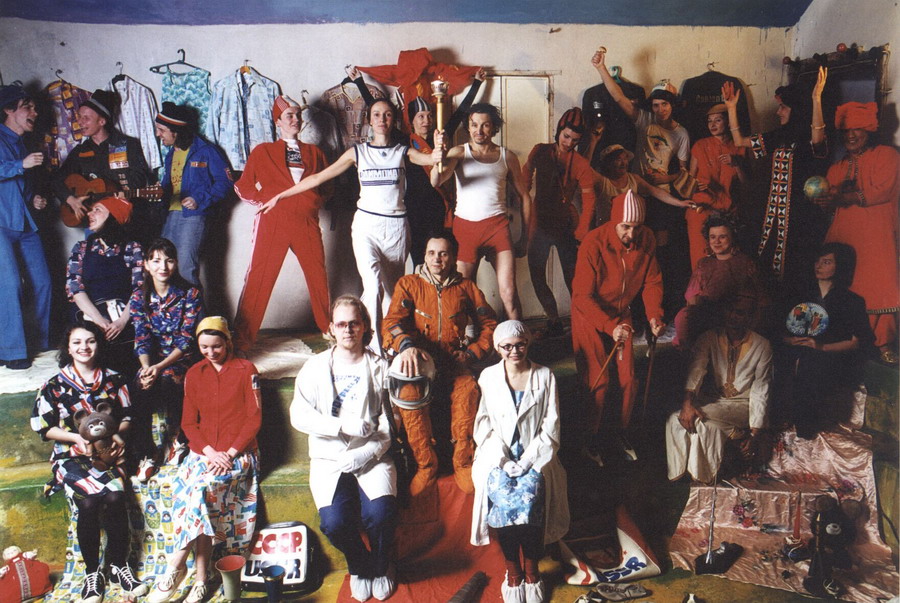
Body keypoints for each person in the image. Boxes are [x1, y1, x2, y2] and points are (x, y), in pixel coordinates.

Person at [262, 98, 442, 352]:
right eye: (376, 114)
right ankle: (373, 349)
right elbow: (318, 177)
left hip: (397, 227)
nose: (382, 119)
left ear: (393, 120)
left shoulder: (403, 152)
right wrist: (280, 196)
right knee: (373, 284)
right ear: (369, 120)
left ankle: (388, 343)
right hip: (367, 225)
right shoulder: (357, 152)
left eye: (387, 115)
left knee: (391, 292)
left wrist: (438, 150)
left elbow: (430, 161)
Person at [147, 316, 262, 603]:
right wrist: (210, 452)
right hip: (204, 453)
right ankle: (200, 579)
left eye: (217, 346)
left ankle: (175, 567)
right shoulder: (194, 373)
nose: (211, 352)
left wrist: (230, 453)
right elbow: (189, 423)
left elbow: (254, 418)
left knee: (201, 490)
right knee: (196, 493)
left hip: (239, 455)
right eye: (204, 347)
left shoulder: (246, 369)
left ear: (228, 342)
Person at [290, 296, 397, 602]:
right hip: (329, 457)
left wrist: (368, 451)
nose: (348, 329)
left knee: (381, 513)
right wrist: (340, 426)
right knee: (334, 523)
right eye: (341, 324)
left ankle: (382, 566)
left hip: (372, 454)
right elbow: (299, 415)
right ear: (331, 329)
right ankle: (360, 567)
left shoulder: (380, 367)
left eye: (354, 323)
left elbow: (392, 421)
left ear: (364, 326)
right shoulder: (314, 367)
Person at [31, 322, 147, 602]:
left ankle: (119, 566)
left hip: (108, 454)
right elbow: (42, 426)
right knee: (89, 502)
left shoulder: (115, 379)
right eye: (77, 342)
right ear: (68, 348)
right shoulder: (54, 385)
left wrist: (116, 436)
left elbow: (128, 415)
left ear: (99, 344)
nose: (84, 347)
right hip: (70, 456)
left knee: (116, 497)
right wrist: (75, 437)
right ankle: (93, 574)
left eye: (91, 341)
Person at [382, 230, 498, 495]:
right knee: (408, 393)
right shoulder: (409, 284)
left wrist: (472, 353)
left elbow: (489, 324)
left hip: (454, 362)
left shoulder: (466, 288)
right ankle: (426, 465)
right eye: (432, 253)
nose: (437, 259)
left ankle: (463, 463)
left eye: (444, 254)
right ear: (424, 256)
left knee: (467, 391)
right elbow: (392, 322)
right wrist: (406, 347)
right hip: (420, 364)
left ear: (454, 257)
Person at [347, 65, 487, 266]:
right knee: (419, 262)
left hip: (438, 208)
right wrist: (359, 82)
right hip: (413, 210)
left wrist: (477, 83)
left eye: (429, 115)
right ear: (411, 121)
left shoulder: (440, 136)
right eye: (421, 116)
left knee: (440, 261)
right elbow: (377, 109)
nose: (426, 120)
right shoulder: (403, 141)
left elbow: (461, 112)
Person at [470, 321, 569, 603]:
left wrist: (527, 461)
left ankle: (532, 571)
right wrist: (502, 460)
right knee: (503, 499)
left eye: (520, 344)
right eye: (507, 346)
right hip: (497, 455)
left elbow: (551, 426)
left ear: (528, 343)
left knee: (531, 498)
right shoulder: (488, 377)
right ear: (497, 347)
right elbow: (483, 425)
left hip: (536, 454)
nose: (514, 351)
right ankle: (513, 572)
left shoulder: (545, 376)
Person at [232, 95, 333, 352]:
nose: (295, 119)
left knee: (318, 276)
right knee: (260, 277)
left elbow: (328, 187)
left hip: (306, 222)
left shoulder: (315, 153)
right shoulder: (263, 151)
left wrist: (312, 202)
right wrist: (263, 200)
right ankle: (242, 340)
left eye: (298, 115)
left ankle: (329, 330)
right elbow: (242, 186)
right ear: (278, 122)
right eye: (289, 115)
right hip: (273, 221)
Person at [572, 190, 665, 466]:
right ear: (614, 221)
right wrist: (609, 326)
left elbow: (652, 282)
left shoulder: (646, 239)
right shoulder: (593, 243)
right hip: (589, 314)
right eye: (625, 227)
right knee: (598, 381)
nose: (631, 234)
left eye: (637, 227)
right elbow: (581, 297)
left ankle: (621, 433)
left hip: (621, 313)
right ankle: (589, 438)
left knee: (629, 379)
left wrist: (654, 315)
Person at [722, 67, 829, 288]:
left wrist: (816, 99)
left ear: (797, 110)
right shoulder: (779, 136)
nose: (778, 112)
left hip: (800, 215)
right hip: (773, 214)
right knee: (767, 267)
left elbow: (818, 136)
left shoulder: (809, 140)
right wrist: (731, 108)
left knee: (795, 265)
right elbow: (740, 141)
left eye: (783, 107)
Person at [432, 103, 533, 320]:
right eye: (474, 125)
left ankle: (518, 337)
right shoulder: (459, 152)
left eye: (485, 125)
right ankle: (470, 337)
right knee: (463, 293)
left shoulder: (506, 156)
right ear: (468, 127)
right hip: (465, 229)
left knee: (509, 293)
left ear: (493, 127)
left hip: (497, 228)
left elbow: (525, 197)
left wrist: (525, 237)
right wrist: (438, 156)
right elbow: (436, 180)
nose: (479, 130)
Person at [820, 101, 899, 365]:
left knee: (880, 285)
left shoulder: (887, 156)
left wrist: (843, 197)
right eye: (846, 131)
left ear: (869, 130)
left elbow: (883, 190)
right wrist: (823, 200)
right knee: (843, 285)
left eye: (857, 129)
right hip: (844, 235)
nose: (850, 135)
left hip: (877, 236)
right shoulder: (837, 167)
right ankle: (844, 344)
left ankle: (883, 344)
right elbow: (830, 201)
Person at [666, 294, 773, 484]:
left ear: (750, 317)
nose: (733, 316)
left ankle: (702, 475)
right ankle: (687, 474)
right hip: (715, 402)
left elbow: (761, 389)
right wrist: (687, 403)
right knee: (676, 420)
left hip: (743, 405)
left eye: (739, 313)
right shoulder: (709, 338)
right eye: (730, 310)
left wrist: (756, 432)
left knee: (699, 419)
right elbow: (696, 370)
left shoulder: (762, 345)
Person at [776, 243, 873, 438]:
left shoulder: (852, 300)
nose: (818, 266)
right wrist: (789, 340)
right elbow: (779, 330)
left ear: (839, 266)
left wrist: (821, 346)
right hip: (796, 348)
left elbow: (856, 342)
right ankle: (780, 418)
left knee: (812, 362)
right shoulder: (799, 293)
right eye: (818, 261)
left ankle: (805, 425)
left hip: (830, 353)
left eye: (827, 262)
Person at [130, 238, 203, 480]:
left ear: (176, 263)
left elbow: (186, 340)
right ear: (146, 264)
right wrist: (146, 368)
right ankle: (147, 452)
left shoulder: (190, 293)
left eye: (169, 260)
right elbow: (141, 336)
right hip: (153, 360)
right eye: (156, 260)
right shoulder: (138, 297)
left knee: (169, 381)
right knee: (139, 386)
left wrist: (159, 367)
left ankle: (180, 439)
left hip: (182, 358)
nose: (163, 266)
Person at [522, 108, 596, 335]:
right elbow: (526, 174)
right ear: (558, 131)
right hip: (539, 223)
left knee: (573, 278)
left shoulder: (581, 164)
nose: (569, 143)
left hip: (565, 225)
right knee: (537, 274)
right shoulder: (540, 150)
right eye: (566, 136)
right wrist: (523, 196)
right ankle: (553, 319)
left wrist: (582, 230)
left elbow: (589, 200)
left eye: (575, 140)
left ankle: (581, 322)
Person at [50, 89, 157, 242]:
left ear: (102, 121)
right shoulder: (81, 151)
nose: (80, 122)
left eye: (86, 118)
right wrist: (70, 200)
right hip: (95, 222)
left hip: (125, 218)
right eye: (80, 117)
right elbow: (56, 180)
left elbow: (140, 178)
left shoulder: (127, 145)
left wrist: (120, 194)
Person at [0, 84, 51, 370]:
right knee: (8, 285)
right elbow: (12, 169)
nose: (35, 112)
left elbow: (22, 184)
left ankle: (40, 345)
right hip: (1, 222)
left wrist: (34, 198)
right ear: (9, 110)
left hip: (24, 221)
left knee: (42, 282)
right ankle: (12, 351)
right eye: (27, 107)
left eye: (34, 107)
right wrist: (20, 164)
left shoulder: (23, 143)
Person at [155, 102, 232, 286]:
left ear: (176, 131)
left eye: (162, 130)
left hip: (194, 216)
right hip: (171, 215)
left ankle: (195, 307)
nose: (158, 134)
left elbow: (226, 182)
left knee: (185, 269)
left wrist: (199, 198)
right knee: (163, 267)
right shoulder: (170, 155)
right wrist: (159, 192)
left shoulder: (206, 151)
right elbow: (170, 186)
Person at [65, 195, 143, 376]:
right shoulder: (81, 248)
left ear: (113, 216)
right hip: (91, 311)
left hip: (123, 313)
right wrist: (99, 319)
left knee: (125, 359)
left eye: (97, 210)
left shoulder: (133, 248)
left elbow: (139, 289)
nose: (89, 214)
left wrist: (121, 322)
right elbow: (75, 288)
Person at [673, 213, 763, 349]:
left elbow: (760, 298)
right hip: (709, 314)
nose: (716, 242)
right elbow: (692, 296)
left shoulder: (745, 262)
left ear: (732, 237)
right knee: (683, 316)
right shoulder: (704, 263)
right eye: (712, 237)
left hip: (736, 316)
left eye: (722, 237)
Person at [687, 104, 747, 269]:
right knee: (700, 257)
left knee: (726, 259)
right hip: (701, 209)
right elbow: (689, 181)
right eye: (709, 121)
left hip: (728, 212)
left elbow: (746, 184)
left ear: (728, 122)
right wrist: (696, 186)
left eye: (718, 120)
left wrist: (736, 164)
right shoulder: (700, 145)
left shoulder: (739, 146)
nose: (712, 125)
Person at [583, 143, 690, 235]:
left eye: (625, 158)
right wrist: (593, 142)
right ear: (608, 163)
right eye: (618, 159)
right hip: (606, 234)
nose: (623, 163)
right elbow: (583, 168)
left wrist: (680, 203)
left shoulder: (634, 179)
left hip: (628, 234)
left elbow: (656, 191)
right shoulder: (601, 181)